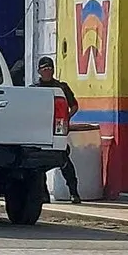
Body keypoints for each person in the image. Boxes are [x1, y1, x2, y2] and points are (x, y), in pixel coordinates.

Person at [34, 56, 82, 204]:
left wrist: (66, 118)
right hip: (40, 133)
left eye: (49, 68)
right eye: (44, 69)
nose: (47, 71)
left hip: (57, 133)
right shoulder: (34, 89)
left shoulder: (61, 88)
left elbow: (74, 105)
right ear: (39, 71)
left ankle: (74, 193)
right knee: (38, 166)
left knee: (65, 162)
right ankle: (43, 195)